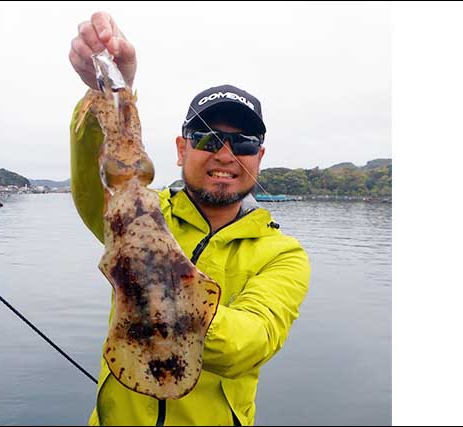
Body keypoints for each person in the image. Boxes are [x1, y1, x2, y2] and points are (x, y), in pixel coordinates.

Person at [68, 11, 310, 426]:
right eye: (207, 139)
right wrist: (106, 91)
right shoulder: (144, 212)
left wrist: (152, 276)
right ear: (181, 149)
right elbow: (97, 186)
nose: (225, 154)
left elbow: (247, 345)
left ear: (260, 158)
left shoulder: (282, 255)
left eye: (244, 142)